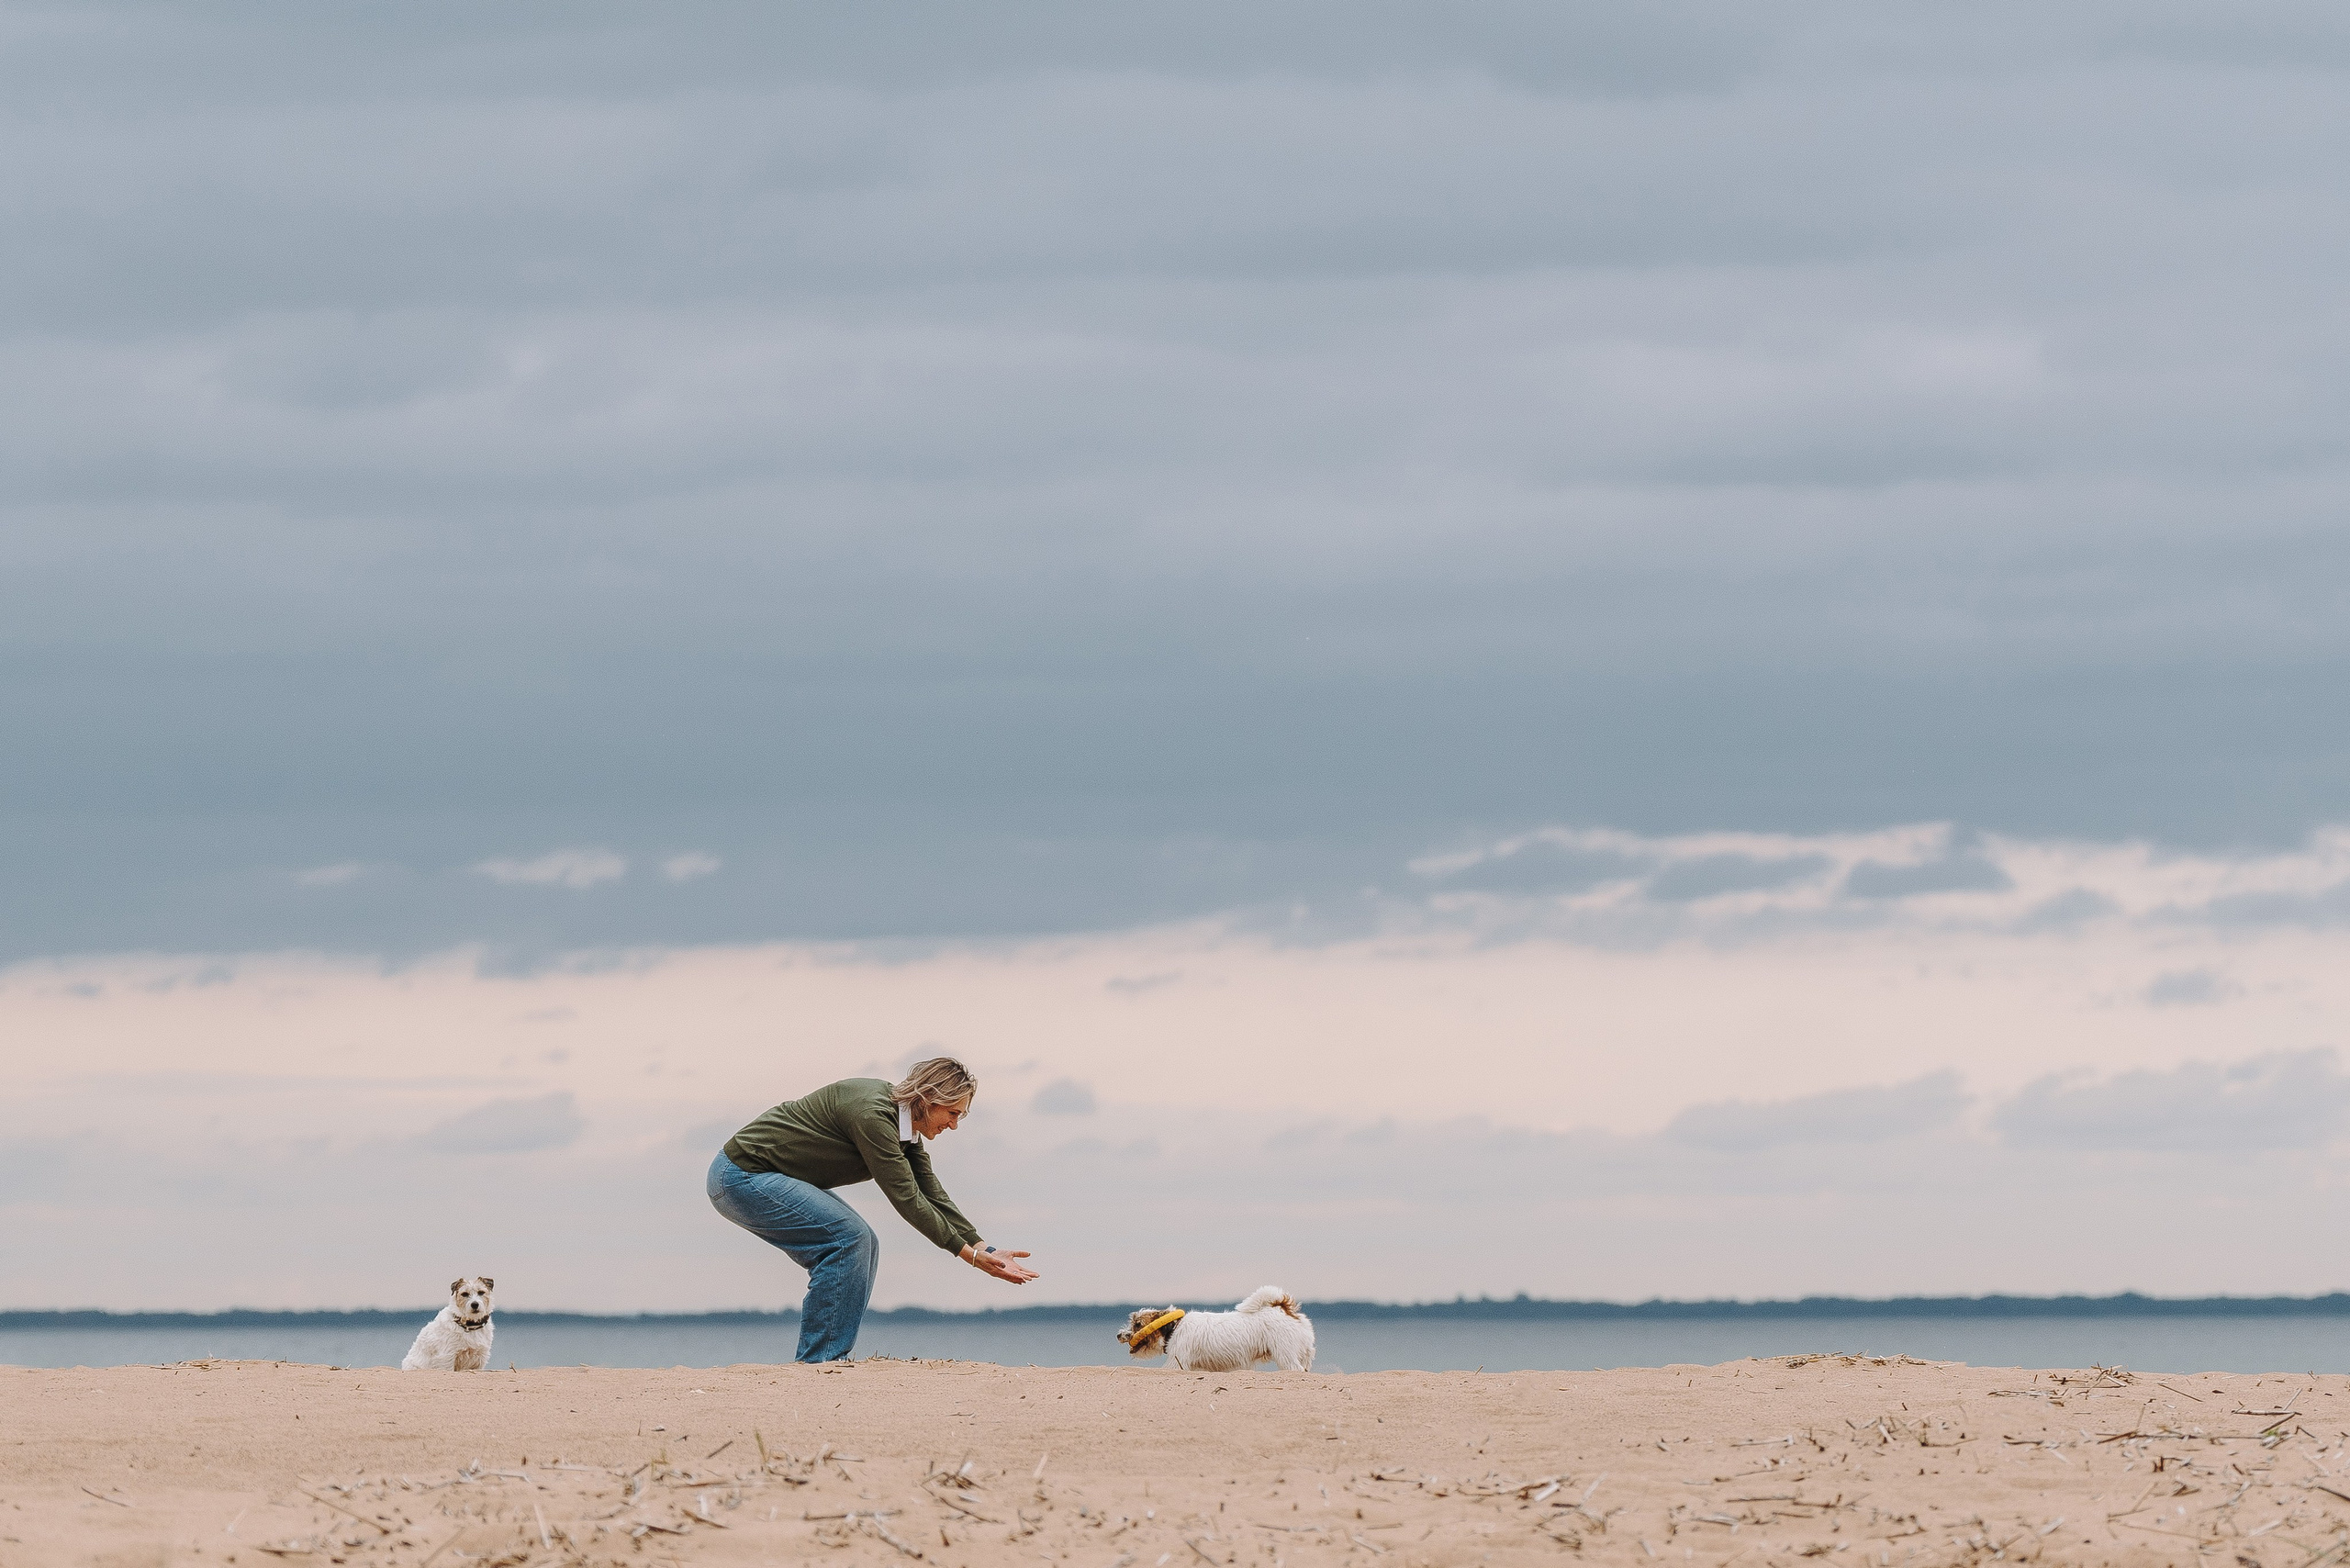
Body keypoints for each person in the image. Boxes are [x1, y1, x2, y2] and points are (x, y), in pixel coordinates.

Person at [707, 1057, 1037, 1361]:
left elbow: (930, 1190)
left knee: (862, 1241)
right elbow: (905, 1195)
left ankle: (824, 1360)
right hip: (741, 1175)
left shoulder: (905, 1126)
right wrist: (969, 1256)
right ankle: (819, 1363)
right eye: (952, 1113)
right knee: (848, 1240)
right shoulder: (873, 1115)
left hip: (760, 1175)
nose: (954, 1125)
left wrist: (982, 1246)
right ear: (928, 1100)